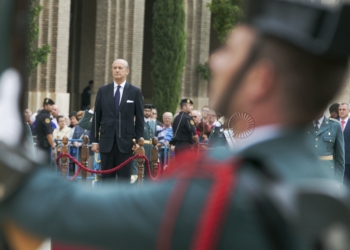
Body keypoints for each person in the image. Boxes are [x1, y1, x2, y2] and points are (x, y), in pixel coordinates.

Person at [2, 1, 350, 249]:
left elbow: (51, 209)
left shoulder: (223, 190)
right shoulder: (319, 184)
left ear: (259, 79)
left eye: (230, 51)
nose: (215, 60)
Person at [90, 59, 144, 181]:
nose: (117, 70)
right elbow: (97, 116)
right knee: (106, 178)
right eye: (115, 68)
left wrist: (138, 140)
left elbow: (140, 119)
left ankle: (122, 200)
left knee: (124, 179)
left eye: (120, 68)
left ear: (127, 71)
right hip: (106, 141)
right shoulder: (103, 90)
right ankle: (105, 200)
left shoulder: (135, 91)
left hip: (126, 143)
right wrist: (94, 140)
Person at [307, 113, 345, 182]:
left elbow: (339, 157)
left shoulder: (334, 125)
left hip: (328, 175)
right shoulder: (303, 125)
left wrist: (338, 181)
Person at [35, 98, 56, 162]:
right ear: (45, 106)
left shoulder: (39, 115)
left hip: (39, 144)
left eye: (52, 105)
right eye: (50, 105)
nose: (52, 107)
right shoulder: (45, 117)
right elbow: (48, 134)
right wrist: (53, 147)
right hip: (45, 145)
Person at [339, 103, 350, 183]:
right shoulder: (332, 123)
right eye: (340, 109)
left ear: (349, 111)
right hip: (336, 160)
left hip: (348, 160)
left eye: (344, 109)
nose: (341, 111)